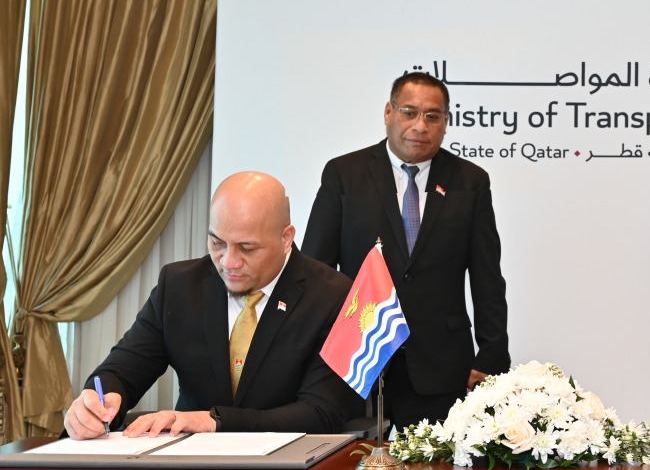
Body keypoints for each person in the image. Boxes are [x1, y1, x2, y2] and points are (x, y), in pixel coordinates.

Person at [64, 171, 361, 439]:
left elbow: (322, 411)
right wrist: (99, 398)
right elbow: (123, 370)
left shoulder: (334, 295)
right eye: (217, 243)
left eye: (247, 247)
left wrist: (214, 421)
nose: (229, 262)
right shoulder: (179, 285)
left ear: (286, 238)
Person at [303, 72, 509, 429]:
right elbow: (316, 270)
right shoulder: (344, 174)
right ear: (388, 112)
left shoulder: (470, 182)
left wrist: (491, 355)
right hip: (357, 359)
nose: (420, 125)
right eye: (409, 112)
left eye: (433, 116)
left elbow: (487, 276)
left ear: (446, 123)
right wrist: (312, 353)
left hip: (441, 364)